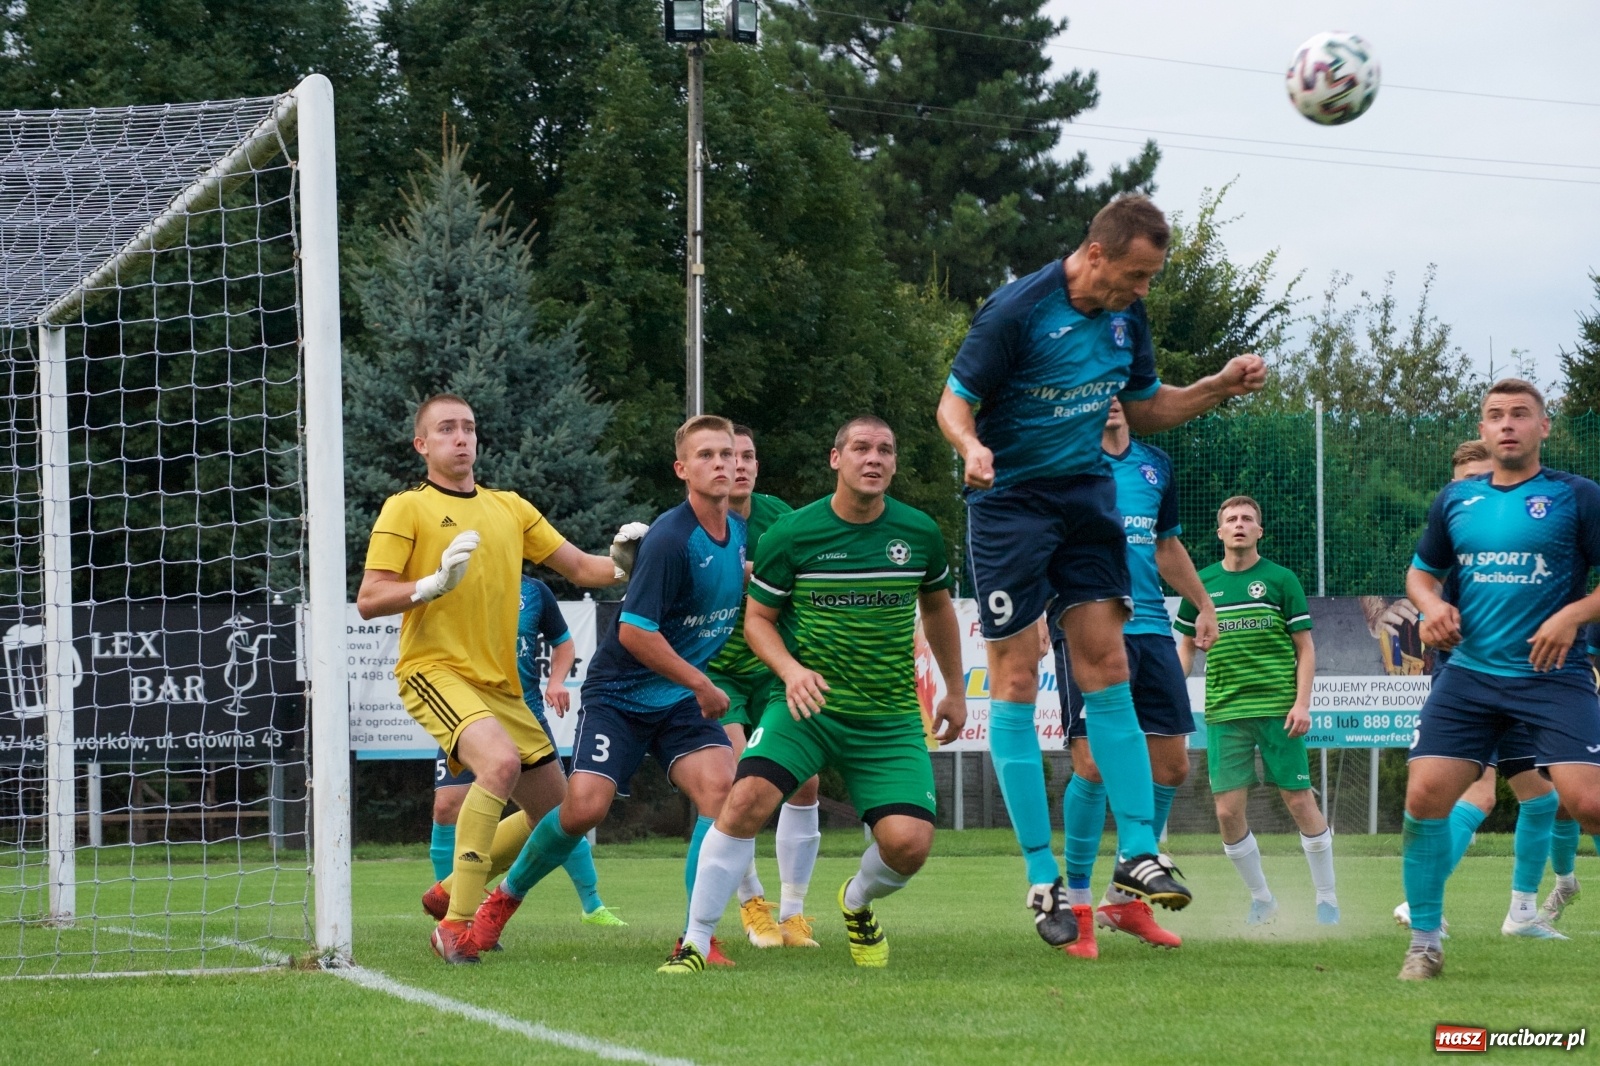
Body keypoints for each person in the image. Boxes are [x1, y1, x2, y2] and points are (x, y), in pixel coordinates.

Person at [936, 193, 1265, 945]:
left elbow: (1144, 408)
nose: (1143, 290)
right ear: (1096, 254)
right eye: (1137, 275)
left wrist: (1216, 386)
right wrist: (970, 446)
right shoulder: (1017, 311)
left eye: (1151, 277)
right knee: (1016, 679)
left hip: (1086, 496)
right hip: (1011, 504)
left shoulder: (1126, 318)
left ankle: (1140, 852)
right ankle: (1041, 875)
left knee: (1107, 665)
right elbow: (953, 403)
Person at [660, 416, 966, 973]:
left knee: (909, 846)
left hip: (888, 716)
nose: (873, 459)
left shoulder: (918, 532)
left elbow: (939, 609)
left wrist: (955, 690)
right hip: (807, 707)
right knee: (743, 799)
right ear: (836, 459)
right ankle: (695, 943)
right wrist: (791, 671)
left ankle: (856, 901)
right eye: (861, 448)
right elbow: (758, 619)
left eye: (885, 450)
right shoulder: (794, 533)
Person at [356, 393, 633, 963]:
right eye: (446, 429)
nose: (461, 437)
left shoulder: (510, 507)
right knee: (500, 765)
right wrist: (430, 585)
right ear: (422, 444)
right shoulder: (405, 508)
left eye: (468, 427)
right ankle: (456, 924)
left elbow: (584, 568)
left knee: (565, 815)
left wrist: (632, 563)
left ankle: (446, 890)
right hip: (435, 670)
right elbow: (369, 598)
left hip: (500, 687)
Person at [466, 415, 748, 960]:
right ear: (682, 469)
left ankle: (698, 937)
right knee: (584, 810)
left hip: (677, 698)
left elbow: (730, 581)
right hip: (620, 695)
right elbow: (635, 634)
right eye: (707, 455)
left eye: (727, 454)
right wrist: (701, 682)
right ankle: (501, 900)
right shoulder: (671, 538)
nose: (721, 464)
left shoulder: (735, 532)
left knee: (722, 793)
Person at [1399, 379, 1600, 980]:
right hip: (1469, 677)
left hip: (1552, 677)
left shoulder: (1577, 496)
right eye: (1495, 415)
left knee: (1588, 803)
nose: (1507, 424)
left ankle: (1520, 910)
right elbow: (1420, 574)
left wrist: (1572, 614)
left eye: (1520, 414)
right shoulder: (1456, 500)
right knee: (1423, 798)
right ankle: (1425, 944)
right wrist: (1431, 606)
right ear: (1483, 430)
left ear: (1544, 427)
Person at [1056, 398, 1217, 959]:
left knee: (1171, 766)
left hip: (1151, 629)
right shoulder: (1063, 460)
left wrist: (1202, 602)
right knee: (1093, 765)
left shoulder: (1155, 465)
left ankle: (1125, 899)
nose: (1110, 397)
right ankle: (1078, 910)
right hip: (1088, 623)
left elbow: (1165, 545)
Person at [1391, 439, 1562, 939]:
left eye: (1483, 479)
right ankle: (1420, 904)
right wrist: (1431, 618)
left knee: (1541, 798)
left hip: (1523, 680)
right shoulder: (1454, 539)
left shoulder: (1520, 534)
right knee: (1479, 795)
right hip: (1470, 682)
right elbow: (1425, 594)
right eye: (1465, 481)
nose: (1477, 489)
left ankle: (1522, 915)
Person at [423, 574, 624, 927]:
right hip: (469, 714)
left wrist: (556, 681)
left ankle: (592, 905)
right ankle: (452, 911)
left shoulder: (534, 590)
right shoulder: (456, 582)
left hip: (524, 716)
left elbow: (564, 644)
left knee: (561, 812)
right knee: (446, 806)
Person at [1175, 496, 1337, 925]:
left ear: (1259, 531)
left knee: (1299, 801)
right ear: (1220, 532)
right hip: (1224, 712)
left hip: (1278, 710)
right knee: (1227, 812)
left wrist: (1302, 703)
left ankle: (1327, 900)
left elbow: (1305, 648)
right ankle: (1262, 899)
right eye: (1231, 519)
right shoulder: (1201, 584)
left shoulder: (1281, 580)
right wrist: (1170, 692)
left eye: (1247, 518)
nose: (1239, 524)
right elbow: (1186, 647)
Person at [705, 426, 823, 949]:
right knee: (739, 780)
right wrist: (759, 571)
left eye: (749, 456)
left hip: (775, 666)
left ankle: (794, 914)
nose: (740, 465)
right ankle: (752, 905)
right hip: (717, 669)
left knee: (806, 781)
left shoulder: (782, 517)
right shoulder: (696, 521)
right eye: (730, 456)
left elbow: (810, 575)